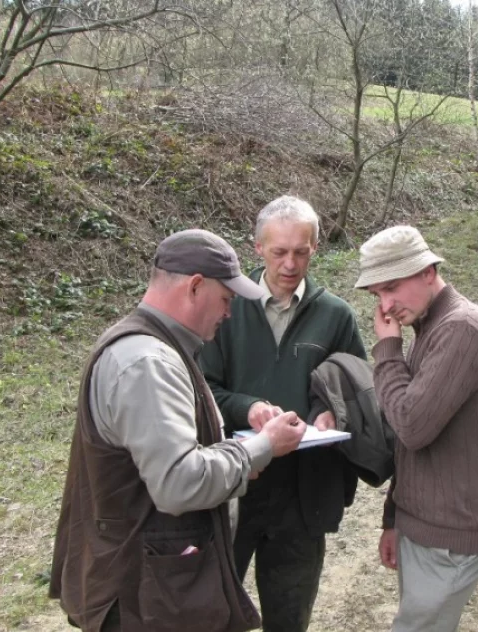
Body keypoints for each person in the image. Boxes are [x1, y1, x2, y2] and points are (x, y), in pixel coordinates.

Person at [49, 229, 308, 632]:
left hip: (153, 590)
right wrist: (262, 447)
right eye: (226, 299)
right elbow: (179, 483)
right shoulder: (149, 363)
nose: (228, 313)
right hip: (145, 599)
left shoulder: (155, 350)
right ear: (195, 286)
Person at [201, 196, 366, 632]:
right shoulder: (226, 309)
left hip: (302, 496)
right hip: (232, 488)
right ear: (258, 248)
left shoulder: (336, 316)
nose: (290, 263)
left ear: (315, 248)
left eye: (301, 251)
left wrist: (328, 414)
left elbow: (354, 390)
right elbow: (201, 391)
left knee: (289, 618)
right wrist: (247, 407)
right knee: (213, 611)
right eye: (279, 251)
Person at [354, 225, 478, 632]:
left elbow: (410, 426)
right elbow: (413, 450)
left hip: (452, 535)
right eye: (376, 296)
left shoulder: (463, 329)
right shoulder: (430, 327)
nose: (386, 307)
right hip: (425, 526)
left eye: (392, 287)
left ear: (428, 271)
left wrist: (388, 348)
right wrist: (395, 518)